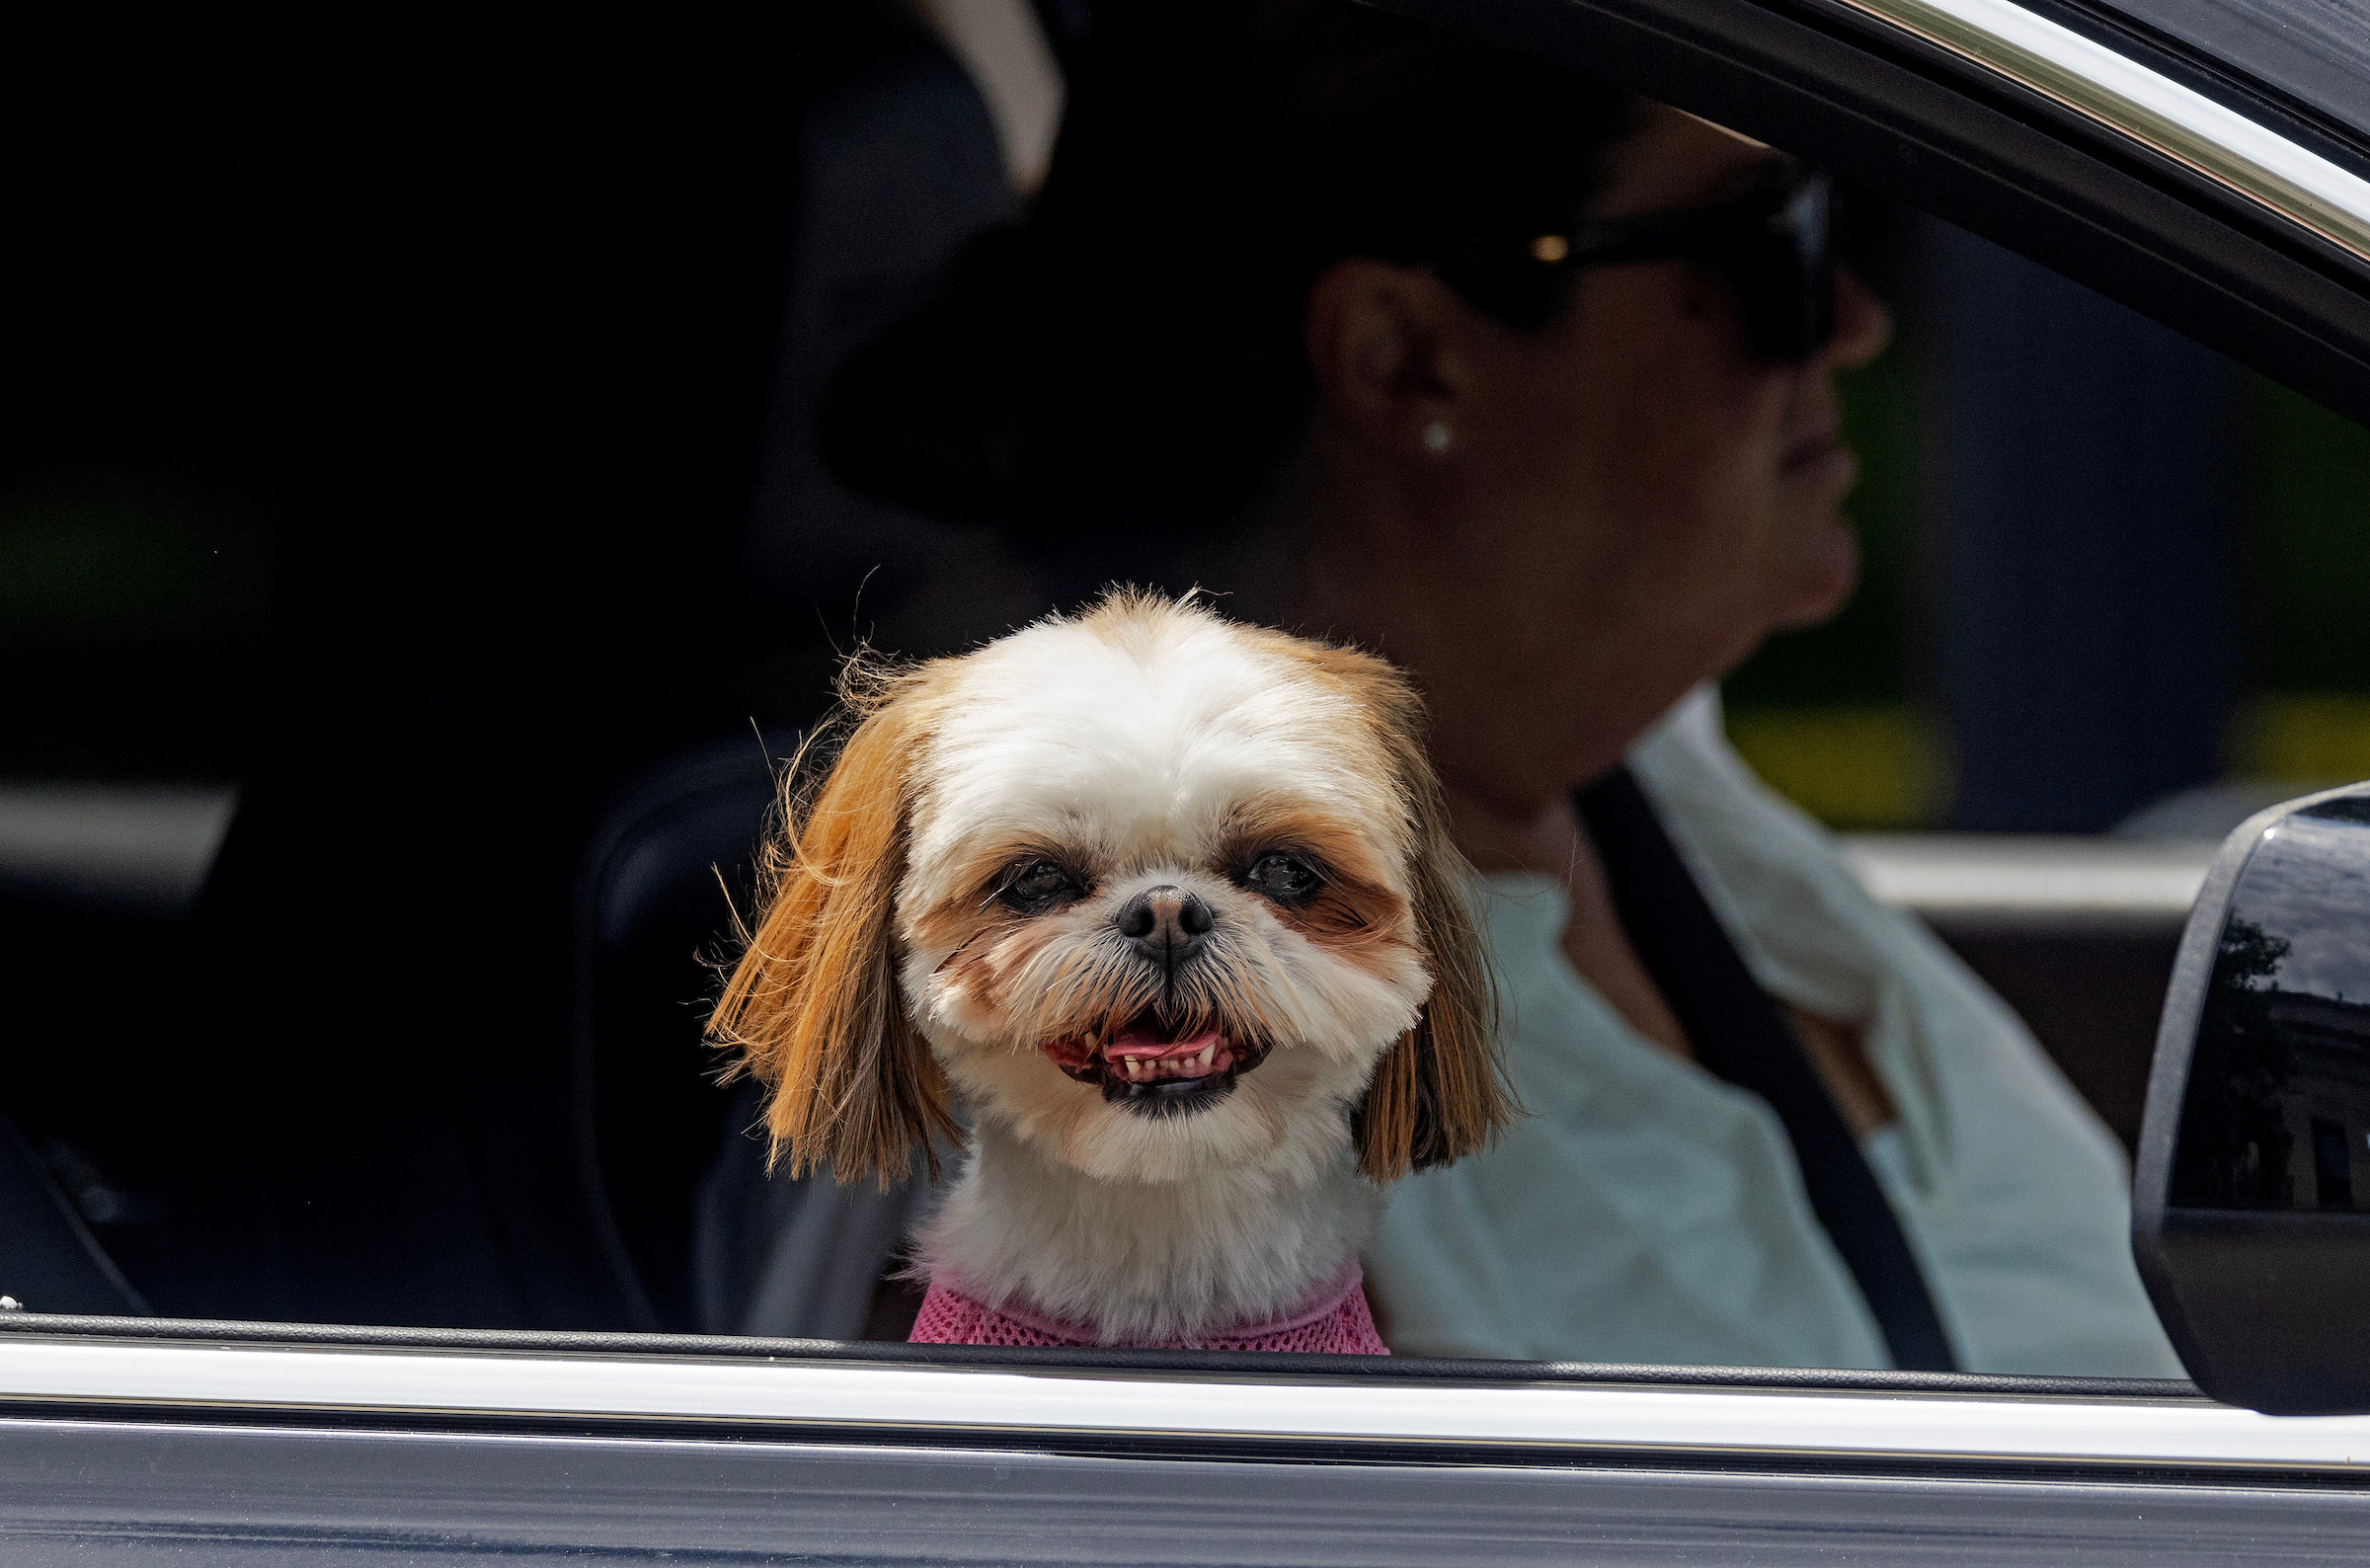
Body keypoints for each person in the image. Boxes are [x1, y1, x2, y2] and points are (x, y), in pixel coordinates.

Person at [815, 0, 2183, 1374]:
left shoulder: (1627, 776)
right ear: (1405, 360)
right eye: (1769, 243)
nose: (1853, 320)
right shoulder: (1186, 1115)